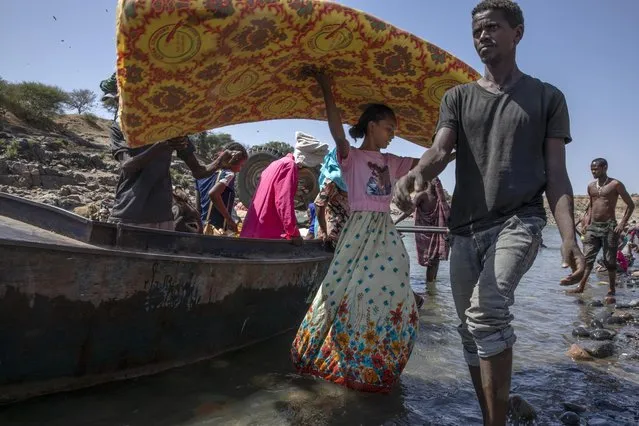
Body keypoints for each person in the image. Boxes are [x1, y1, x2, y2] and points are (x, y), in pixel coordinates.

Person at [394, 1, 584, 424]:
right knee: (468, 331)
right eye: (477, 30)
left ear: (517, 33)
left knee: (487, 312)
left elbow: (557, 175)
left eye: (493, 27)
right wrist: (416, 175)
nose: (483, 36)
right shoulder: (458, 98)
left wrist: (570, 237)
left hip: (520, 220)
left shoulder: (547, 98)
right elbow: (440, 151)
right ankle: (490, 417)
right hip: (463, 229)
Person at [291, 67, 419, 393]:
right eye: (389, 128)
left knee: (397, 283)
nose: (392, 134)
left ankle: (374, 355)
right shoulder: (352, 157)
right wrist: (325, 86)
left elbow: (430, 161)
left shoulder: (392, 161)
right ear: (372, 126)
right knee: (345, 290)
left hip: (384, 230)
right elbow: (337, 133)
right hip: (359, 228)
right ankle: (331, 354)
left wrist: (457, 141)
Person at [108, 120, 233, 229]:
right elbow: (127, 165)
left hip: (162, 214)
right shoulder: (120, 126)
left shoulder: (173, 129)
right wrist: (161, 145)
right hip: (130, 212)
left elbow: (198, 171)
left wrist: (218, 163)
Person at [240, 132, 328, 240]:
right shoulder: (289, 166)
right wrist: (293, 233)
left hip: (253, 228)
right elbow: (283, 202)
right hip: (267, 233)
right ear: (304, 162)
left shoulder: (276, 163)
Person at [566, 158, 635, 295]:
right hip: (593, 227)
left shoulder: (615, 184)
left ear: (604, 168)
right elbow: (591, 206)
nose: (593, 171)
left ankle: (611, 290)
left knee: (609, 260)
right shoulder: (591, 186)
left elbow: (631, 205)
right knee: (587, 259)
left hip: (609, 227)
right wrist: (587, 222)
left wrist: (622, 223)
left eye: (596, 169)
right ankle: (581, 287)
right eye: (592, 169)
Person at [196, 143, 248, 234]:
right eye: (241, 165)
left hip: (201, 227)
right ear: (232, 160)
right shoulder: (228, 174)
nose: (240, 169)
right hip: (216, 230)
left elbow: (198, 208)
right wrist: (229, 220)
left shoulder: (202, 174)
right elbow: (213, 194)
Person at [414, 177, 451, 284]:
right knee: (432, 262)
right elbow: (409, 209)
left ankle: (431, 292)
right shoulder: (423, 195)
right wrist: (395, 222)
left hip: (437, 234)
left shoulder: (438, 198)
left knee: (435, 261)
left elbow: (408, 210)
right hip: (427, 234)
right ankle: (430, 292)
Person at [314, 148, 350, 250]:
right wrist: (324, 232)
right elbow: (318, 204)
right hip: (332, 234)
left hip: (344, 232)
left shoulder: (348, 177)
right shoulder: (333, 179)